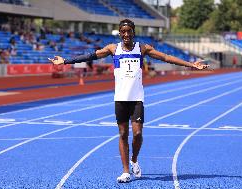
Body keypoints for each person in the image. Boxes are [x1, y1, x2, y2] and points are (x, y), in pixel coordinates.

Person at [48, 19, 209, 183]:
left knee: (137, 134)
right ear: (119, 33)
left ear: (133, 32)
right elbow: (91, 55)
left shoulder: (142, 48)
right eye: (123, 32)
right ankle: (126, 171)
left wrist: (192, 65)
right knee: (123, 134)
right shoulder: (113, 49)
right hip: (120, 98)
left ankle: (134, 159)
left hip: (137, 98)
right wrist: (65, 61)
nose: (126, 34)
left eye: (129, 31)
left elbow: (166, 57)